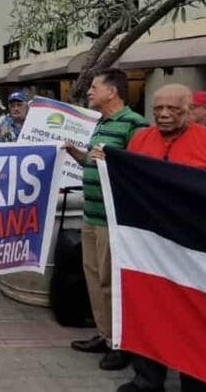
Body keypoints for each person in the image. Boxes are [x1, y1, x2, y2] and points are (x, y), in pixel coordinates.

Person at [117, 85, 206, 392]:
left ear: (189, 111)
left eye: (173, 110)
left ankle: (198, 382)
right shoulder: (140, 140)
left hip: (196, 246)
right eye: (158, 109)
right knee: (149, 313)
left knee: (197, 318)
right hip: (149, 245)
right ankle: (147, 380)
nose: (163, 115)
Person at [63, 69, 148, 371]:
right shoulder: (100, 123)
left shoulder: (135, 125)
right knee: (94, 277)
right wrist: (76, 153)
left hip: (113, 220)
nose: (89, 91)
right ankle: (104, 334)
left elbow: (140, 169)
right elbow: (94, 160)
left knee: (112, 281)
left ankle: (120, 343)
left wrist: (111, 161)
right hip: (91, 215)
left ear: (112, 92)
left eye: (94, 87)